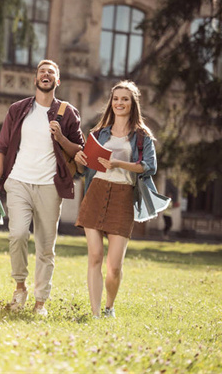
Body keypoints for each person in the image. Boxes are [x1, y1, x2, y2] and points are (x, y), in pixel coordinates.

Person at [0, 60, 83, 316]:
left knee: (45, 245)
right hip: (18, 180)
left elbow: (80, 151)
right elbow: (3, 148)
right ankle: (20, 287)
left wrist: (61, 137)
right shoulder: (18, 110)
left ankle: (40, 301)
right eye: (42, 72)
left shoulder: (68, 112)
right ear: (35, 79)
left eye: (51, 72)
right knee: (17, 234)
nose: (46, 75)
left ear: (57, 81)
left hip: (50, 186)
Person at [74, 80, 157, 318]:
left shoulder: (142, 137)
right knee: (95, 257)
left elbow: (149, 167)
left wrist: (118, 163)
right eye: (116, 98)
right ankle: (96, 313)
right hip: (96, 192)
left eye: (125, 99)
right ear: (111, 102)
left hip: (123, 197)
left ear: (133, 104)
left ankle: (109, 306)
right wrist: (81, 159)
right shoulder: (99, 133)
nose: (119, 103)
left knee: (114, 266)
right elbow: (85, 170)